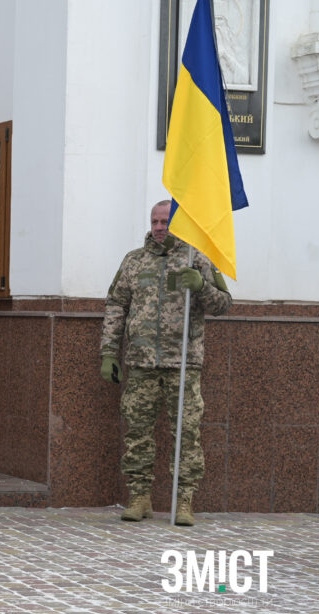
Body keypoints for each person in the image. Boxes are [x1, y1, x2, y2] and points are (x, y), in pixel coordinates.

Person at [100, 199, 232, 526]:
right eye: (155, 222)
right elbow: (116, 306)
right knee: (138, 433)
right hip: (141, 364)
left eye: (166, 222)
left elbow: (224, 305)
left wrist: (202, 287)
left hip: (183, 364)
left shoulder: (196, 258)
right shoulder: (134, 262)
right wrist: (108, 353)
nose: (159, 228)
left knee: (186, 434)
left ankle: (184, 501)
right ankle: (139, 498)